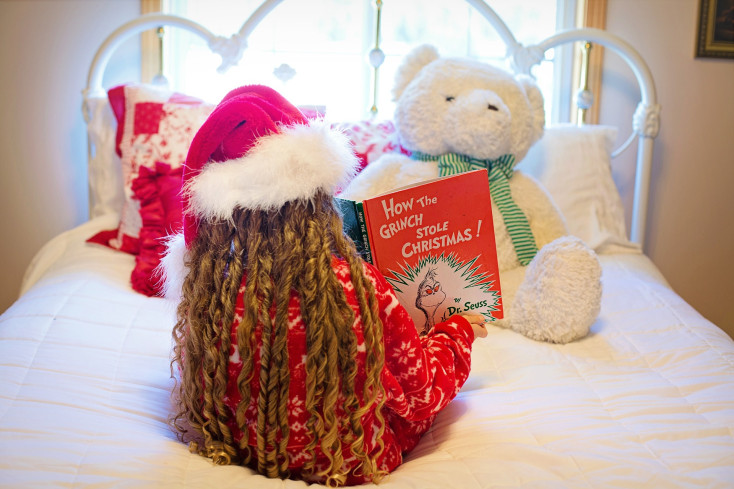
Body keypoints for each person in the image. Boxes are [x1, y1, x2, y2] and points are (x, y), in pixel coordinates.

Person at [160, 85, 488, 486]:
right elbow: (419, 394)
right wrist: (457, 334)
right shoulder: (355, 284)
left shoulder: (214, 289)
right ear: (317, 201)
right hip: (347, 461)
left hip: (246, 448)